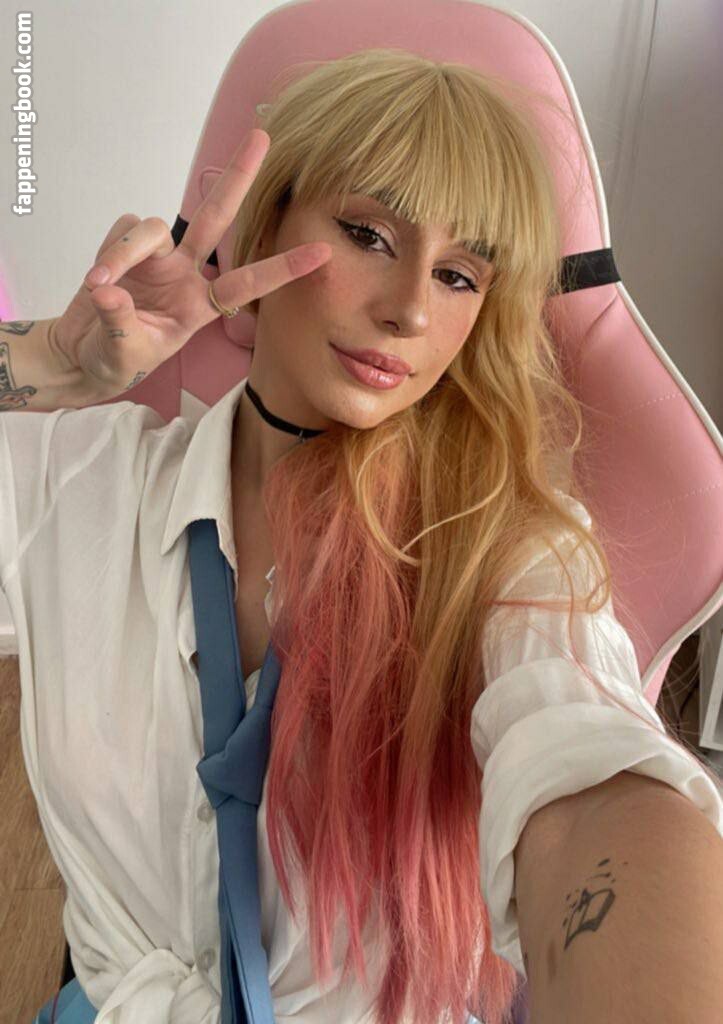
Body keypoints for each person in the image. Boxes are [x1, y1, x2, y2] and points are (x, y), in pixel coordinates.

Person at [3, 47, 722, 1024]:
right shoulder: (79, 483)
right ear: (264, 226)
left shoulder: (504, 556)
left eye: (459, 274)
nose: (411, 308)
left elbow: (590, 775)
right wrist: (52, 361)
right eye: (369, 234)